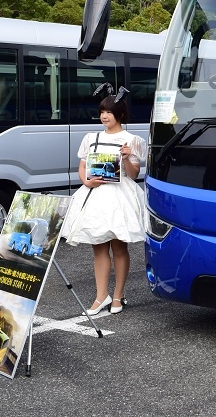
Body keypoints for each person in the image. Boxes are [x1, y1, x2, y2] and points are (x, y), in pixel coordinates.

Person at [62, 92, 146, 315]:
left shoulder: (133, 140)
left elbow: (134, 174)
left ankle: (118, 295)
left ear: (119, 113)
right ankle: (101, 297)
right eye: (102, 112)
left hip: (120, 196)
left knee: (119, 247)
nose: (104, 116)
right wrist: (86, 181)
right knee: (98, 247)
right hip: (95, 195)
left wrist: (127, 157)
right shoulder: (91, 138)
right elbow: (82, 166)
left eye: (108, 112)